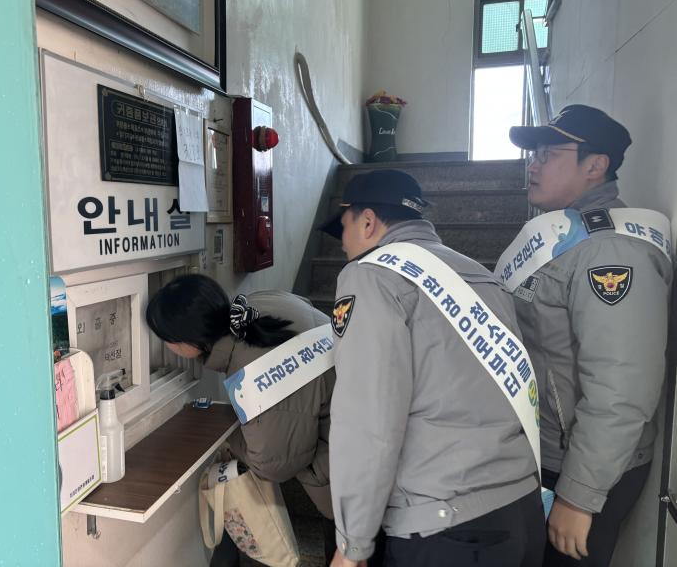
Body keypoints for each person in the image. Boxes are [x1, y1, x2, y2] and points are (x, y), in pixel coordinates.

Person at [318, 169, 544, 567]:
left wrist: (352, 543)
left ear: (367, 221)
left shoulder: (371, 276)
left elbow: (369, 421)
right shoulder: (478, 275)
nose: (343, 246)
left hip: (447, 529)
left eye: (345, 228)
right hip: (521, 508)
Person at [504, 105, 672, 566]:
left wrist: (578, 498)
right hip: (552, 454)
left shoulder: (610, 251)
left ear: (596, 165)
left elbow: (622, 387)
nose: (533, 164)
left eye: (548, 152)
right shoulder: (561, 238)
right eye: (532, 153)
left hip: (584, 471)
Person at [145, 274, 337, 565]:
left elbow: (275, 463)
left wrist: (229, 436)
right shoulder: (264, 301)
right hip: (368, 416)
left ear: (185, 342)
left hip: (353, 473)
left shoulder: (257, 375)